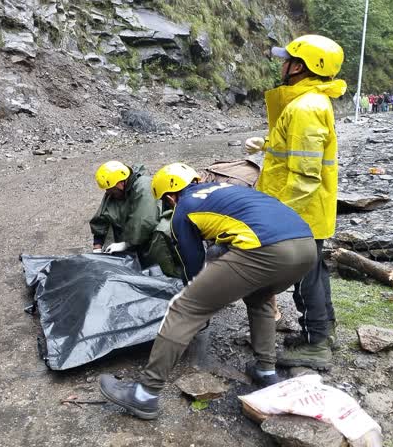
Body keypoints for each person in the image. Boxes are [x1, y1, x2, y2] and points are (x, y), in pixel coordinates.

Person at [98, 163, 317, 420]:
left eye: (167, 204)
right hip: (306, 247)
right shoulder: (222, 190)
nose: (170, 209)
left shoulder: (184, 209)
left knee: (185, 307)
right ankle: (265, 370)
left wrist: (201, 298)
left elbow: (194, 264)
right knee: (260, 298)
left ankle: (145, 394)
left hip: (267, 249)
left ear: (170, 197)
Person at [244, 34, 344, 370]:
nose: (282, 65)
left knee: (307, 276)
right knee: (313, 272)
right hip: (307, 209)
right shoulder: (309, 103)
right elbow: (295, 147)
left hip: (301, 210)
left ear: (299, 66)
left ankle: (316, 345)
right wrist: (267, 143)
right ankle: (321, 331)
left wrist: (279, 216)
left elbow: (305, 175)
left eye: (286, 59)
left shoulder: (306, 108)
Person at [90, 161, 178, 275]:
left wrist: (127, 244)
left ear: (120, 184)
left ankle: (164, 273)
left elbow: (145, 221)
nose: (108, 193)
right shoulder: (114, 192)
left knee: (161, 232)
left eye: (110, 189)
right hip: (132, 240)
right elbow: (101, 218)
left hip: (151, 239)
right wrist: (97, 247)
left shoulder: (144, 187)